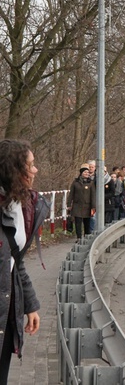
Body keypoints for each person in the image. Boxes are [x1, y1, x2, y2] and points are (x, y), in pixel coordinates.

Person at [0, 140, 46, 381]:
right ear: (14, 170)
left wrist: (30, 303)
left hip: (6, 312)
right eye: (30, 165)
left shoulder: (20, 206)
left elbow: (15, 260)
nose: (35, 170)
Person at [67, 163, 96, 242]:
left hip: (87, 205)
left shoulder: (91, 183)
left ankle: (86, 236)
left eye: (87, 172)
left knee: (87, 222)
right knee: (78, 222)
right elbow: (71, 194)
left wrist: (93, 207)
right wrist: (69, 204)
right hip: (77, 205)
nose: (86, 174)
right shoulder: (75, 182)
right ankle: (79, 237)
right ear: (81, 173)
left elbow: (93, 195)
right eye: (85, 172)